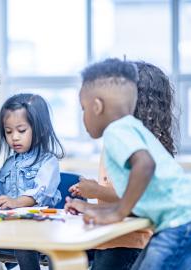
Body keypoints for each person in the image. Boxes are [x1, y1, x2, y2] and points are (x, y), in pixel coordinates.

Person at [65, 58, 191, 270]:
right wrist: (94, 208)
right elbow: (142, 197)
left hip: (177, 226)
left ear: (97, 107)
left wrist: (117, 213)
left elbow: (145, 165)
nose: (83, 118)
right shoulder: (132, 129)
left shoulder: (117, 130)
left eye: (83, 109)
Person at [0, 93, 65, 270]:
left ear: (40, 129)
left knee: (23, 242)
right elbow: (2, 195)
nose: (14, 137)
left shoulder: (48, 161)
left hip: (40, 227)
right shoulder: (9, 163)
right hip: (12, 225)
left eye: (21, 130)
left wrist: (16, 202)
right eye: (8, 131)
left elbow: (40, 193)